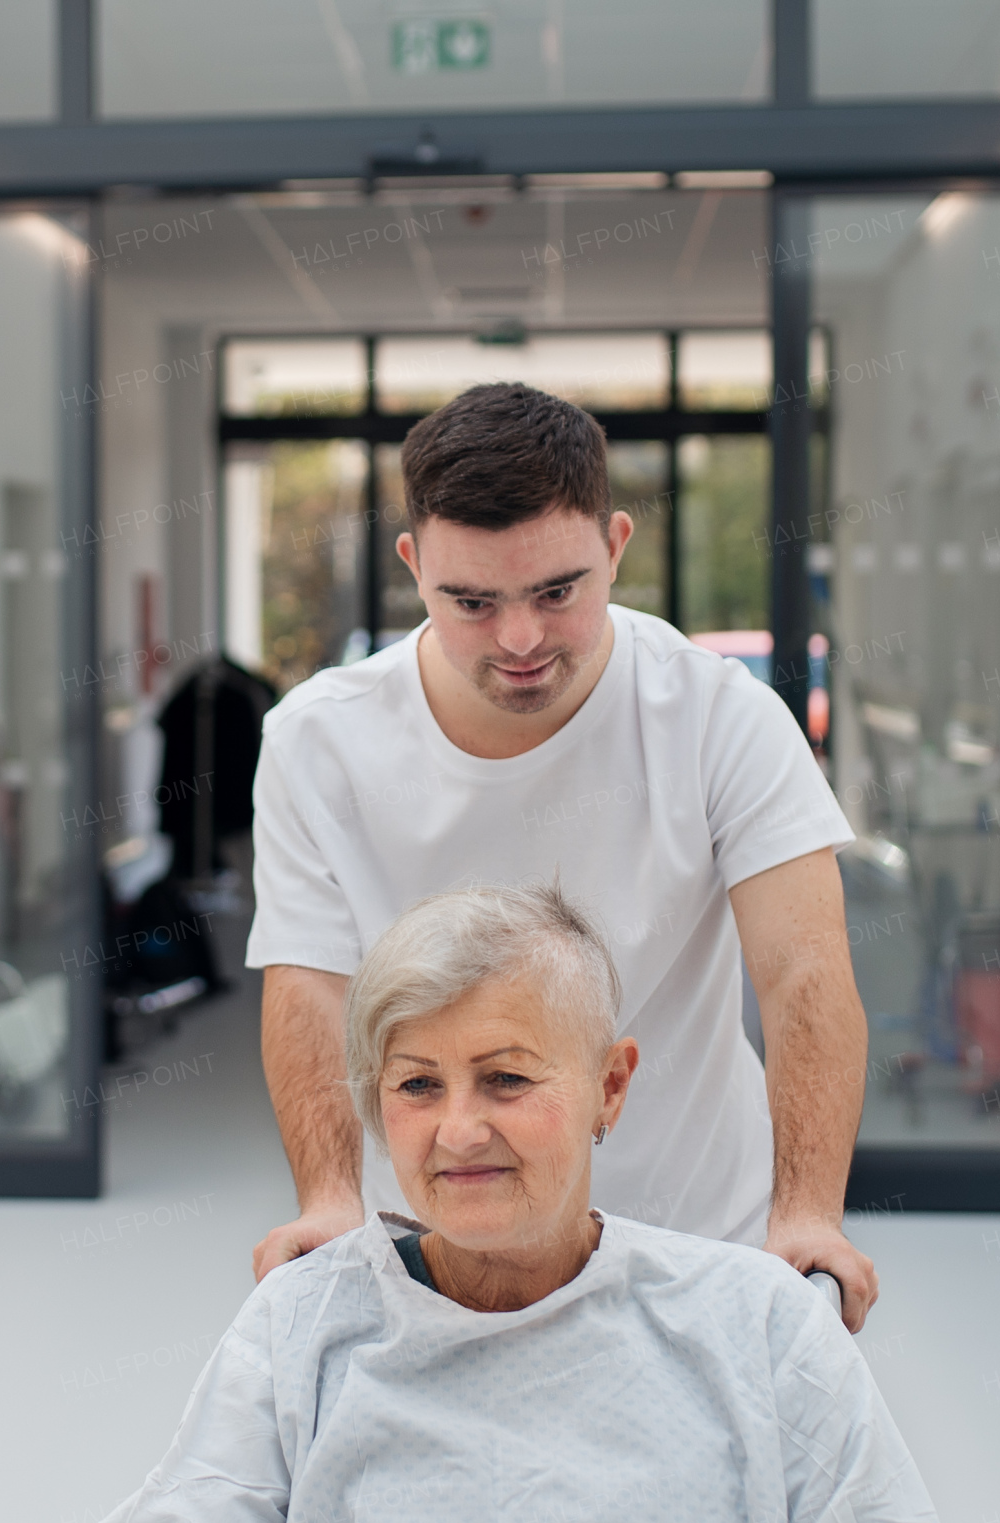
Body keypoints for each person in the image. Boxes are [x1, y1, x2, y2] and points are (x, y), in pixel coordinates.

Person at [63, 886, 996, 1523]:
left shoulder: (759, 1324)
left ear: (610, 1085)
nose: (459, 1129)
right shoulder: (303, 1329)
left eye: (506, 1078)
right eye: (417, 1084)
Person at [248, 382, 876, 1328]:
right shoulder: (317, 742)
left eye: (557, 591)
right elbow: (308, 988)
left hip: (702, 1233)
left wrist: (808, 1213)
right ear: (413, 568)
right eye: (472, 600)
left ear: (616, 547)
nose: (521, 638)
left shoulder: (721, 718)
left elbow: (802, 972)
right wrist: (330, 1199)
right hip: (441, 1245)